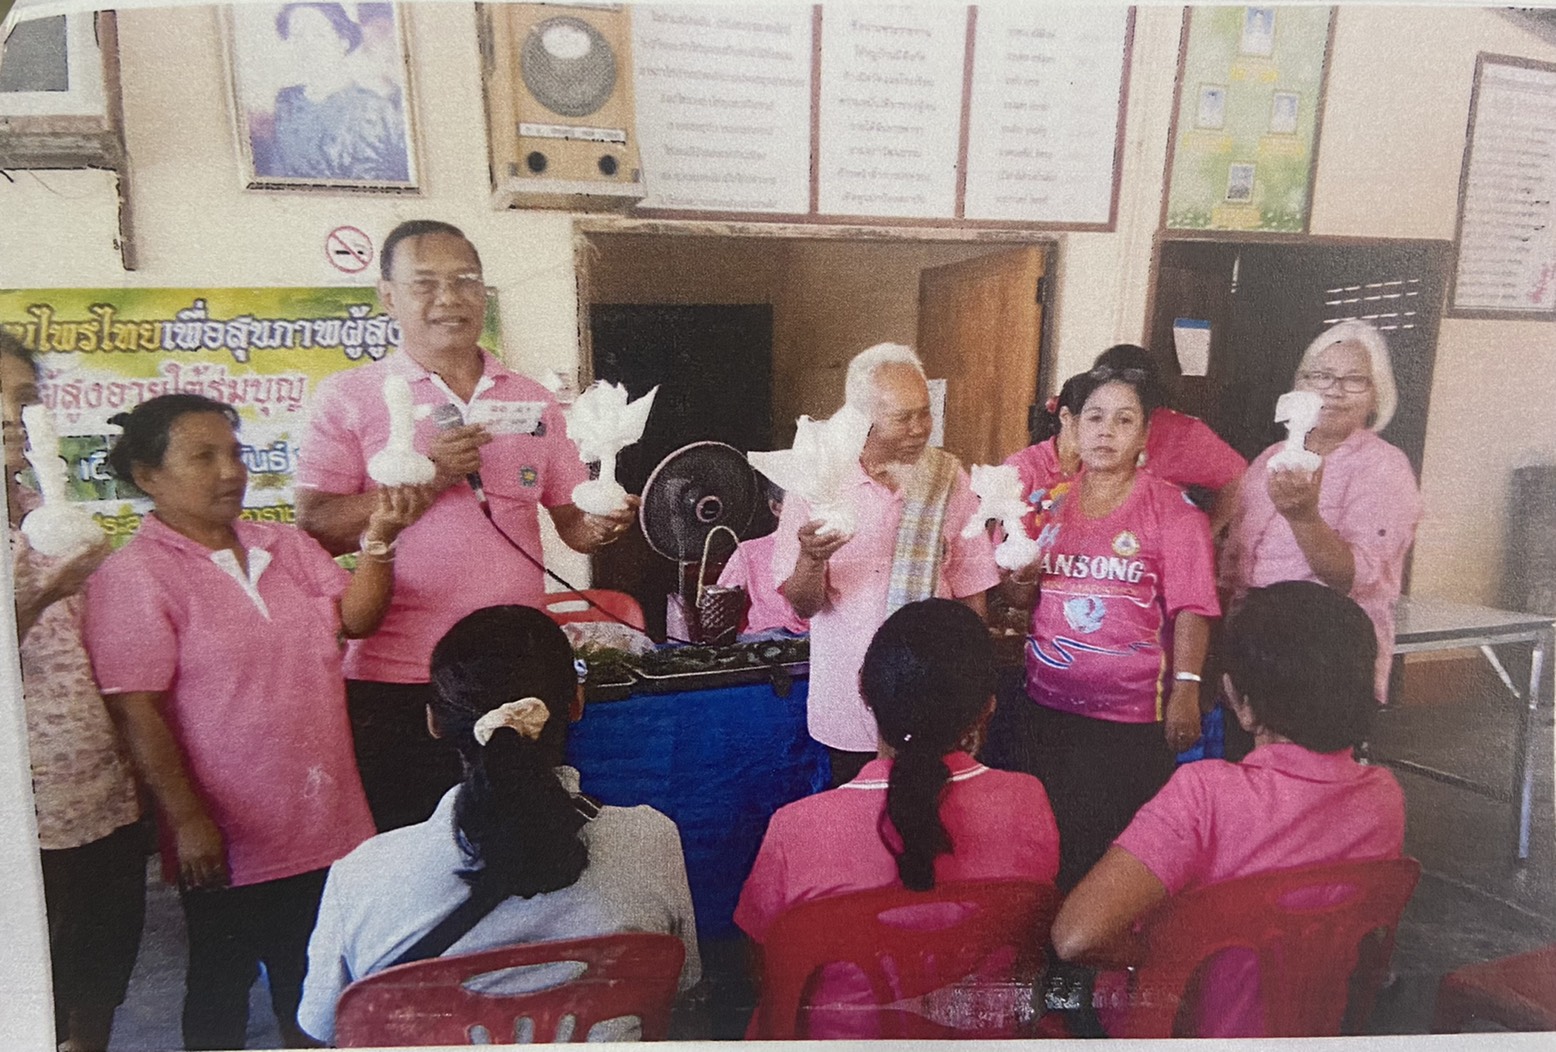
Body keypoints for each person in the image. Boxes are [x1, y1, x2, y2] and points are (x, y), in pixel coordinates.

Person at [82, 393, 428, 1050]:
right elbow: (138, 710)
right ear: (147, 476)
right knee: (220, 984)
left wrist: (379, 542)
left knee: (317, 977)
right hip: (228, 833)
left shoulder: (285, 546)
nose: (230, 472)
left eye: (236, 454)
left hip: (327, 818)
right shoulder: (134, 576)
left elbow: (357, 619)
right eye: (203, 457)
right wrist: (187, 819)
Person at [296, 219, 636, 833]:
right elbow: (317, 522)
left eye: (465, 281)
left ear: (483, 294)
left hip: (518, 667)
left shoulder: (530, 399)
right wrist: (431, 477)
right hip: (403, 678)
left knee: (526, 842)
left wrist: (603, 524)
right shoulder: (350, 396)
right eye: (425, 283)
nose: (448, 298)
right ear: (388, 296)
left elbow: (570, 524)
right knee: (417, 849)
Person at [298, 605, 700, 1044]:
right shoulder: (652, 839)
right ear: (577, 703)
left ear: (434, 721)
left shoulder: (360, 877)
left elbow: (324, 1026)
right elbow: (681, 983)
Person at [1051, 581, 1406, 1038]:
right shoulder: (1384, 797)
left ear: (1242, 703)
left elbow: (1077, 936)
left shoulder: (1205, 794)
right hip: (1311, 1028)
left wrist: (1175, 951)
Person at [734, 599, 1060, 1038]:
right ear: (987, 708)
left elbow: (765, 969)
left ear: (863, 692)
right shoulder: (1028, 801)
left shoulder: (796, 827)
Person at [1001, 365, 1219, 890]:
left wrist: (1186, 691)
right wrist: (1022, 579)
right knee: (1057, 840)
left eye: (1123, 420)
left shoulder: (1173, 511)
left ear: (1144, 434)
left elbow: (1193, 607)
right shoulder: (1048, 505)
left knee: (1121, 847)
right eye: (1094, 418)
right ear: (1073, 427)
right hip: (1048, 705)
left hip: (1131, 719)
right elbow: (1018, 598)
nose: (1105, 431)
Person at [2, 334, 144, 1052]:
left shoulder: (47, 513)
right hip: (18, 823)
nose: (10, 415)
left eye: (24, 399)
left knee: (99, 974)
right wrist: (41, 594)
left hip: (99, 795)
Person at [773, 343, 1000, 786]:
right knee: (862, 835)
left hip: (938, 699)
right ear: (863, 417)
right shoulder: (819, 481)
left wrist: (977, 688)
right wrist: (811, 558)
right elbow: (803, 605)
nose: (919, 429)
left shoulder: (949, 478)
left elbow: (972, 592)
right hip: (849, 706)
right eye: (903, 417)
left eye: (925, 413)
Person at [1221, 319, 1422, 704]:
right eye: (1321, 376)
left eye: (1355, 380)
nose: (1335, 391)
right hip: (1253, 645)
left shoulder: (1384, 468)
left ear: (1377, 395)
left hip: (1327, 651)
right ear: (1301, 386)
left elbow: (1354, 578)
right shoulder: (1270, 459)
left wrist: (1305, 518)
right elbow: (1235, 562)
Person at [1087, 344, 1247, 535]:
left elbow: (1241, 479)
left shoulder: (1183, 433)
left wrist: (1206, 532)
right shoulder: (1083, 425)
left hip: (1158, 549)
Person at [253, 3, 409, 183]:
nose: (307, 46)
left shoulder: (373, 107)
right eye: (297, 36)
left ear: (343, 41)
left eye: (318, 35)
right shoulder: (287, 101)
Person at [715, 479, 808, 640]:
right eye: (798, 503)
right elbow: (720, 607)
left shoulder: (833, 551)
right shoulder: (749, 552)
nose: (808, 510)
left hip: (815, 642)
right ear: (776, 507)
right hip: (763, 640)